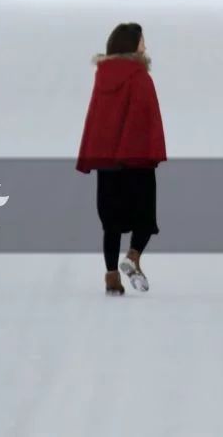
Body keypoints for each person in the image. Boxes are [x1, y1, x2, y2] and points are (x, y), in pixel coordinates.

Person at [76, 21, 167, 295]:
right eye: (142, 41)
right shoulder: (140, 77)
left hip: (107, 162)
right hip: (136, 159)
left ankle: (111, 277)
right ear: (132, 46)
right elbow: (145, 118)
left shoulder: (102, 77)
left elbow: (97, 117)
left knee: (111, 223)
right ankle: (133, 257)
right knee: (145, 219)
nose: (145, 46)